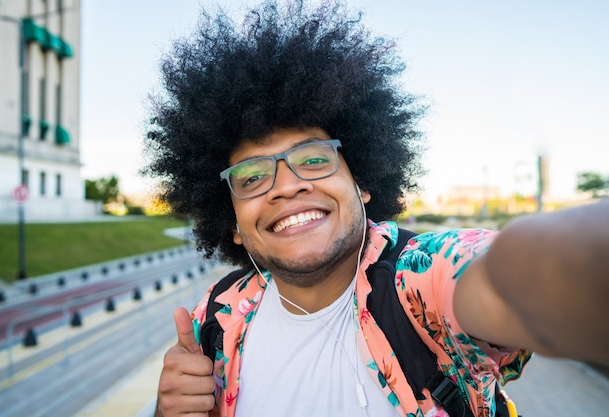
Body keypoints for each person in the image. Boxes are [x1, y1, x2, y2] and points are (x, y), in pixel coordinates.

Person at [142, 1, 609, 416]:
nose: (285, 187)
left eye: (313, 159)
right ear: (234, 225)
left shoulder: (421, 283)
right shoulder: (218, 315)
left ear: (362, 182)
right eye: (251, 177)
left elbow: (509, 278)